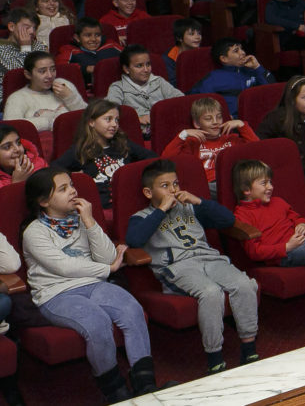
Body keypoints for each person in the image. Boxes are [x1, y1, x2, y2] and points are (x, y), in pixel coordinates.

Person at [22, 167, 167, 401]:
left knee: (132, 310)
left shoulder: (80, 220)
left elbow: (108, 256)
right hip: (56, 294)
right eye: (63, 188)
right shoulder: (34, 232)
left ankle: (145, 386)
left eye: (71, 185)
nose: (72, 191)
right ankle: (116, 393)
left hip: (94, 284)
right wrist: (107, 270)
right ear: (43, 201)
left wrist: (89, 221)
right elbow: (64, 267)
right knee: (97, 323)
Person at [125, 159, 260, 375]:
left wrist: (199, 202)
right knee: (211, 293)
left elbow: (227, 220)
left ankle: (249, 347)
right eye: (165, 186)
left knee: (244, 284)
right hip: (178, 266)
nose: (173, 190)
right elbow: (134, 239)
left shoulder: (190, 207)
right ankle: (215, 357)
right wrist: (161, 210)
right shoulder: (142, 217)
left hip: (209, 259)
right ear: (148, 193)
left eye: (175, 184)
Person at [54, 99, 155, 209]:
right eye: (108, 119)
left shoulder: (124, 144)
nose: (114, 124)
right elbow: (53, 170)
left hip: (130, 199)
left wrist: (134, 173)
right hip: (103, 206)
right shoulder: (80, 150)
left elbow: (152, 158)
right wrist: (76, 177)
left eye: (117, 120)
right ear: (91, 122)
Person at [162, 97, 258, 196]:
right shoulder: (193, 143)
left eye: (219, 117)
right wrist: (182, 135)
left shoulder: (231, 138)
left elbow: (258, 149)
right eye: (208, 119)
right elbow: (166, 159)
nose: (215, 122)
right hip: (209, 185)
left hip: (233, 179)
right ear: (197, 124)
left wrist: (242, 125)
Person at [6, 52, 88, 143]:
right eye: (42, 71)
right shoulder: (18, 98)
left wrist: (70, 97)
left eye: (53, 69)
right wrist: (49, 122)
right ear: (28, 74)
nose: (50, 75)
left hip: (79, 141)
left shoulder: (62, 85)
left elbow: (90, 117)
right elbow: (11, 128)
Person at [106, 44, 184, 138]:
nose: (146, 70)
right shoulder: (118, 88)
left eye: (148, 64)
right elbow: (110, 112)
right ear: (126, 69)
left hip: (165, 129)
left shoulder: (159, 81)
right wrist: (137, 119)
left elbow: (180, 100)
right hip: (136, 135)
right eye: (139, 66)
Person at [190, 38, 273, 119]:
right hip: (233, 122)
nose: (243, 53)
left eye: (242, 49)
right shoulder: (214, 77)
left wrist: (257, 67)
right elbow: (197, 100)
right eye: (236, 51)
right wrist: (224, 117)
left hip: (260, 117)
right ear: (224, 59)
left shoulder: (252, 71)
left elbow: (271, 91)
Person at [56, 17, 124, 87]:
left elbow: (130, 58)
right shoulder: (69, 50)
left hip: (118, 86)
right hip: (86, 91)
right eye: (88, 35)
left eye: (97, 35)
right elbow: (60, 69)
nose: (93, 39)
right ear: (77, 38)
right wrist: (85, 69)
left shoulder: (111, 45)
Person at [0, 9, 48, 103]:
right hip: (8, 100)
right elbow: (21, 76)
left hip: (38, 96)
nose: (31, 32)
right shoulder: (2, 48)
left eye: (34, 28)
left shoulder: (39, 46)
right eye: (27, 27)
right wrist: (25, 47)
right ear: (12, 27)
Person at [0, 123, 47, 188]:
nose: (17, 149)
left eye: (18, 143)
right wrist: (17, 183)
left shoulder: (37, 163)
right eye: (7, 147)